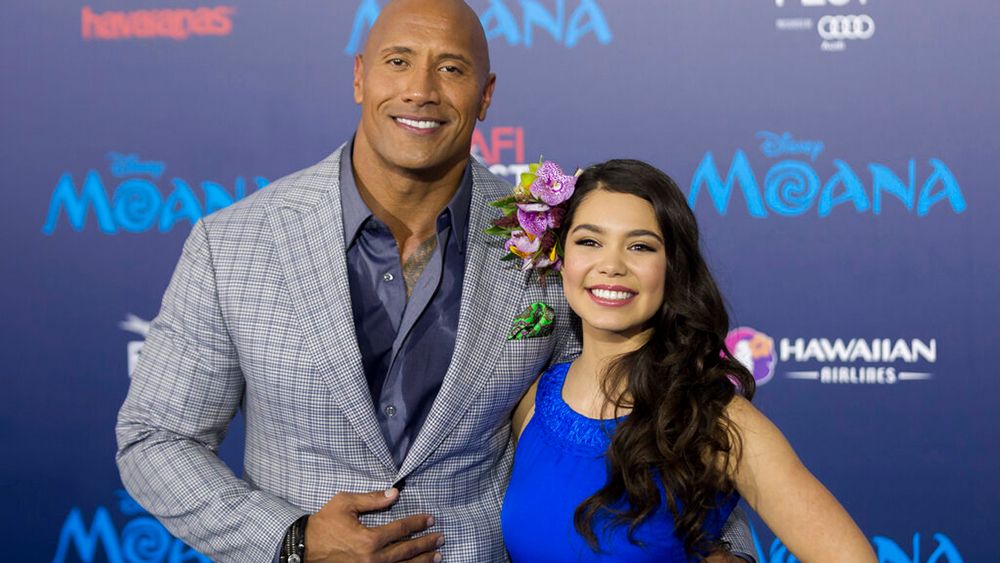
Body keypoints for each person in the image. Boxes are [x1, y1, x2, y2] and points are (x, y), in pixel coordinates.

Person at [116, 1, 756, 561]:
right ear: (360, 77)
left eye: (451, 68)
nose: (421, 89)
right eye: (398, 61)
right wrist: (292, 539)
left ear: (486, 95)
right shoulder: (235, 242)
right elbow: (156, 438)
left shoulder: (552, 244)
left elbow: (650, 405)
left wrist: (723, 547)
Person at [502, 159, 877, 561]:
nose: (611, 265)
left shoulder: (714, 421)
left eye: (640, 246)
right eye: (589, 241)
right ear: (560, 257)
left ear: (672, 267)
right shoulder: (532, 401)